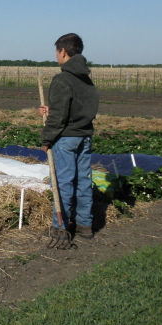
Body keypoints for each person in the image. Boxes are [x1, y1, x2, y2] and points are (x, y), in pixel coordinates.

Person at [39, 33, 99, 240]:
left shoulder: (62, 79)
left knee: (62, 182)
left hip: (65, 138)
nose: (56, 56)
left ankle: (60, 227)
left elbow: (59, 117)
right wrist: (52, 108)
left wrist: (47, 139)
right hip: (85, 136)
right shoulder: (86, 80)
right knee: (83, 180)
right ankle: (85, 225)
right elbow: (78, 108)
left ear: (63, 51)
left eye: (57, 52)